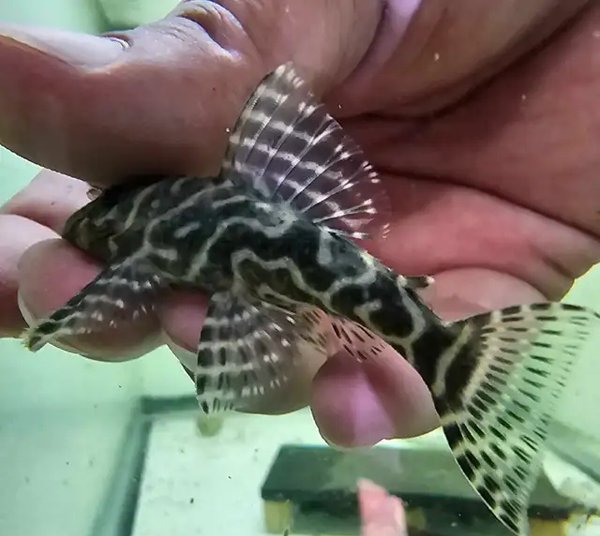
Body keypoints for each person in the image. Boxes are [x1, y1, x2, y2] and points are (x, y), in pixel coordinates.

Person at [0, 0, 598, 447]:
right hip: (299, 247)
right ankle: (459, 367)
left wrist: (56, 323)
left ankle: (457, 367)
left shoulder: (132, 231)